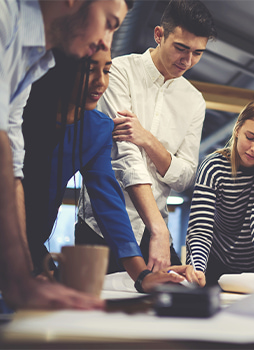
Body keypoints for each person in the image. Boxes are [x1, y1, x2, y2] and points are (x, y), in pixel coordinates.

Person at [22, 49, 202, 293]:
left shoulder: (96, 128)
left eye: (106, 70)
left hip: (30, 241)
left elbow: (108, 202)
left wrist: (142, 276)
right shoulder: (17, 116)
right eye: (89, 69)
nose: (101, 82)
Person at [0, 0, 131, 310]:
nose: (105, 42)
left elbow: (11, 164)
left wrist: (24, 278)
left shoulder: (35, 59)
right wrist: (20, 280)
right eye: (109, 23)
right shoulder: (4, 20)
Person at [76, 0, 217, 273]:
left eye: (198, 53)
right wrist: (159, 229)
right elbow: (123, 155)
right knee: (93, 311)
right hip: (101, 228)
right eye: (181, 48)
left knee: (174, 305)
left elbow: (186, 177)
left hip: (152, 233)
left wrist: (148, 140)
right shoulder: (117, 71)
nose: (187, 61)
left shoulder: (195, 101)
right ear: (159, 35)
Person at [186, 98, 254, 286]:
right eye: (250, 137)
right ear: (237, 130)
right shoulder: (213, 167)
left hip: (252, 269)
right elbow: (201, 229)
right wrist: (198, 269)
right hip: (212, 264)